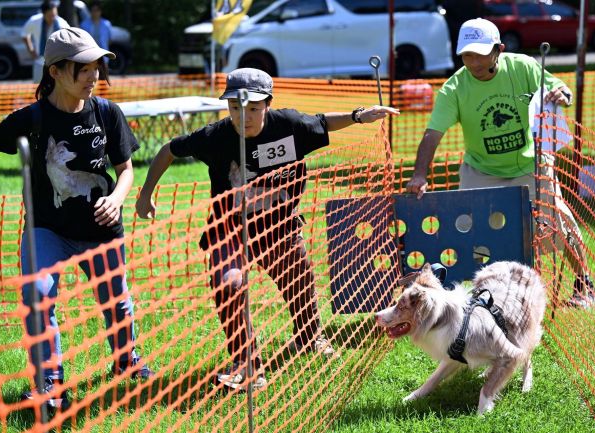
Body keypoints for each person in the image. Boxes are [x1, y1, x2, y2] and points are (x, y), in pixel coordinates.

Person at [135, 67, 399, 390]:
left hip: (279, 226)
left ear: (268, 104)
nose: (243, 117)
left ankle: (309, 339)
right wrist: (145, 193)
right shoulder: (215, 137)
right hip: (229, 227)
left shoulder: (289, 126)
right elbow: (169, 150)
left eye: (253, 109)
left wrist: (360, 116)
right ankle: (248, 365)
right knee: (228, 283)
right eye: (235, 108)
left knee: (299, 279)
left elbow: (323, 122)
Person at [0, 27, 154, 410]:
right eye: (83, 67)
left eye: (96, 66)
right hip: (48, 229)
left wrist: (117, 198)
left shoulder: (107, 112)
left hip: (102, 229)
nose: (93, 75)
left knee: (117, 300)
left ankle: (127, 363)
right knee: (38, 295)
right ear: (55, 71)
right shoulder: (31, 118)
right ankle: (49, 382)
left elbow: (126, 170)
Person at [405, 18, 595, 309]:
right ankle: (478, 296)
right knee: (468, 232)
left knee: (558, 222)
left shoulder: (523, 67)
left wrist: (563, 95)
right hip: (481, 169)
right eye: (467, 54)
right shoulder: (454, 88)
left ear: (499, 49)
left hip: (530, 163)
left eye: (481, 52)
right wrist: (419, 174)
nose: (474, 61)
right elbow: (433, 134)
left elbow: (559, 88)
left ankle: (585, 283)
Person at [23, 1, 70, 83]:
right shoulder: (34, 20)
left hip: (57, 62)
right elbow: (24, 34)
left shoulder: (62, 24)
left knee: (56, 89)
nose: (53, 18)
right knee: (38, 88)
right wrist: (31, 51)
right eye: (50, 15)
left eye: (54, 15)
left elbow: (69, 41)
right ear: (43, 14)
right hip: (39, 61)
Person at [80, 0, 112, 65]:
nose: (95, 13)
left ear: (100, 11)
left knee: (104, 74)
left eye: (97, 10)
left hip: (104, 55)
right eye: (93, 10)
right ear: (90, 11)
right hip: (89, 56)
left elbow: (109, 40)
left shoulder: (107, 24)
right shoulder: (84, 24)